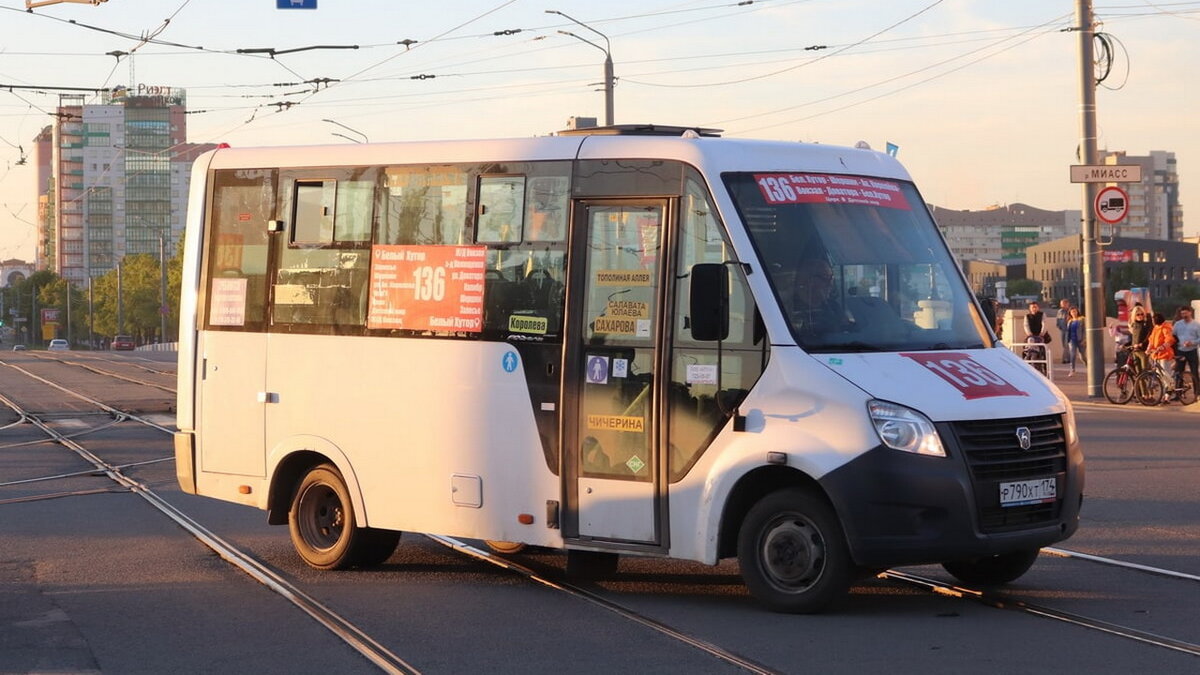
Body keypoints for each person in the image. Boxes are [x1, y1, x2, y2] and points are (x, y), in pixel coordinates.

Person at [790, 257, 847, 335]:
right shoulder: (789, 308)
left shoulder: (834, 307)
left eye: (831, 279)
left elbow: (845, 330)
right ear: (808, 280)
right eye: (825, 278)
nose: (830, 284)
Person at [1172, 305, 1200, 392]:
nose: (1184, 315)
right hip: (1181, 351)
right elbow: (1173, 336)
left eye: (1185, 313)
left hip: (1192, 351)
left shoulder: (1196, 325)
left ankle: (1197, 392)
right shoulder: (1178, 324)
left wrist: (1192, 342)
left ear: (1190, 313)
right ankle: (1178, 393)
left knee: (1194, 372)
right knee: (1179, 372)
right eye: (1182, 314)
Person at [1147, 312, 1176, 394]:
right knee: (1160, 375)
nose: (1152, 322)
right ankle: (1165, 392)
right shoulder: (1156, 328)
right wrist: (1148, 349)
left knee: (1165, 375)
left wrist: (1162, 347)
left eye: (1153, 320)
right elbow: (1151, 340)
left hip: (1164, 354)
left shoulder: (1166, 327)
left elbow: (1170, 340)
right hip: (1156, 355)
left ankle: (1167, 395)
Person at [1127, 306, 1154, 373]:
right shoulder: (1134, 325)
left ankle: (1149, 382)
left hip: (1143, 350)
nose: (1140, 316)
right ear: (1134, 315)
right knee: (1138, 372)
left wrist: (1142, 344)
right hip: (1135, 350)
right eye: (1138, 314)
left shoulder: (1145, 324)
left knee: (1144, 371)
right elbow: (1134, 338)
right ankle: (1139, 383)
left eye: (1142, 314)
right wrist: (1125, 345)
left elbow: (1149, 336)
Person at [1064, 306, 1086, 376]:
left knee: (1082, 356)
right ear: (1070, 313)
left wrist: (1084, 339)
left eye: (1075, 311)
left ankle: (1088, 366)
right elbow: (1068, 331)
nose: (1074, 313)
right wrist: (1067, 340)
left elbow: (1084, 330)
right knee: (1072, 355)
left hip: (1080, 339)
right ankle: (1072, 370)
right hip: (1072, 340)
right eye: (1072, 312)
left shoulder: (1082, 319)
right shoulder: (1070, 321)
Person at [1056, 298, 1071, 363]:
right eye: (1061, 304)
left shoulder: (1070, 311)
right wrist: (1059, 326)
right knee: (1064, 345)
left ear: (1067, 304)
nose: (1062, 305)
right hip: (1062, 330)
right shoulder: (1060, 311)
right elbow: (1058, 320)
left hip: (1069, 330)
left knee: (1067, 345)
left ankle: (1066, 359)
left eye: (1064, 304)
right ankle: (1067, 358)